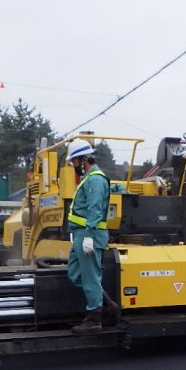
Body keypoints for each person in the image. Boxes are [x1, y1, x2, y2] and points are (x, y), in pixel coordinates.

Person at [66, 138, 119, 334]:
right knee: (75, 273)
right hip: (81, 235)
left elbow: (95, 210)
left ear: (83, 159)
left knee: (90, 277)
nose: (73, 165)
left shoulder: (95, 179)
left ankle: (95, 318)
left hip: (90, 235)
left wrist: (88, 235)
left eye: (74, 161)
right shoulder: (89, 178)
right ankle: (106, 303)